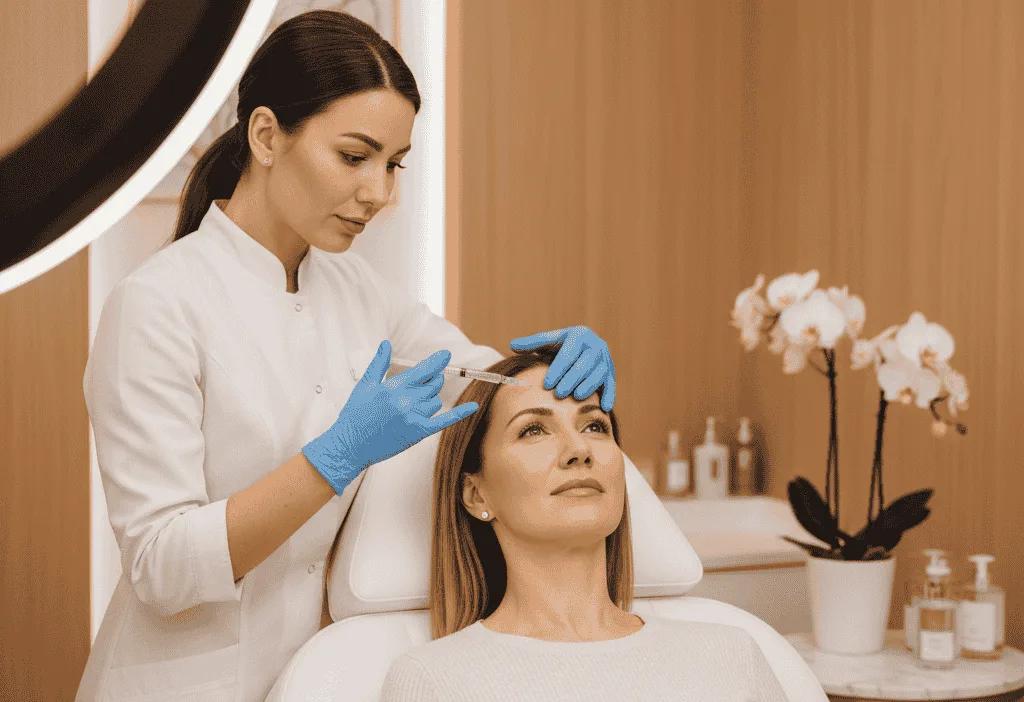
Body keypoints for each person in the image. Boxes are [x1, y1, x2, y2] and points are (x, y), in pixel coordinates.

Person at [76, 11, 617, 702]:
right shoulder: (156, 304)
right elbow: (161, 568)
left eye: (393, 164)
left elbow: (478, 379)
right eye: (354, 157)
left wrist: (558, 368)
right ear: (267, 136)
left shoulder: (356, 287)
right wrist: (334, 458)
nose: (380, 194)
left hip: (314, 679)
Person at [380, 344, 789, 702]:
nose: (578, 449)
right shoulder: (434, 682)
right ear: (477, 494)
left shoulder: (731, 655)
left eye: (595, 425)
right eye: (533, 430)